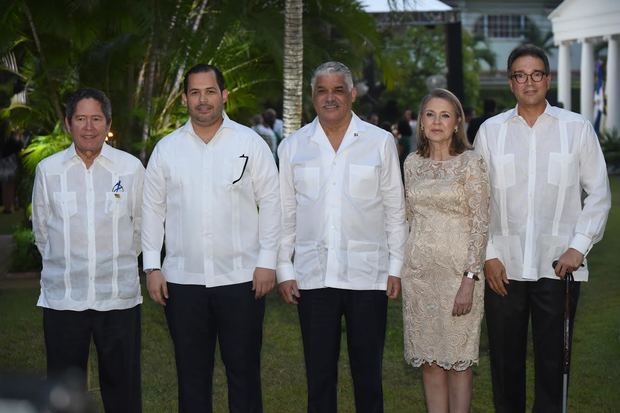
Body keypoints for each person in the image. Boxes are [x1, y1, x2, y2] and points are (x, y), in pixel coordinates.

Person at [474, 44, 611, 413]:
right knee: (505, 363)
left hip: (558, 265)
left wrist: (578, 246)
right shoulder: (490, 132)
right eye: (520, 75)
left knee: (554, 364)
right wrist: (488, 255)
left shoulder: (576, 128)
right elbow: (477, 200)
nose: (529, 81)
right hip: (504, 267)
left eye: (536, 74)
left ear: (547, 80)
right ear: (510, 82)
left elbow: (599, 194)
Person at [142, 63, 280, 413]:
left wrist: (267, 262)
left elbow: (273, 204)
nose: (202, 100)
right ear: (185, 99)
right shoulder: (167, 149)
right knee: (191, 377)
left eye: (209, 91)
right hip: (183, 281)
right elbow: (152, 210)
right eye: (195, 93)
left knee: (244, 374)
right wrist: (152, 267)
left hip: (241, 280)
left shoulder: (251, 142)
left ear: (224, 95)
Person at [277, 61, 407, 413]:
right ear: (313, 97)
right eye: (322, 90)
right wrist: (284, 271)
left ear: (352, 94)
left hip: (369, 276)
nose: (330, 97)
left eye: (338, 90)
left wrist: (396, 267)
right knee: (319, 378)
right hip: (312, 276)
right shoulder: (292, 146)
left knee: (368, 376)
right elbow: (285, 215)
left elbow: (395, 209)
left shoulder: (379, 143)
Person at [31, 88, 144, 413]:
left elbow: (140, 228)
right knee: (64, 394)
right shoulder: (49, 171)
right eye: (81, 118)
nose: (89, 127)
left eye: (96, 119)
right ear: (68, 123)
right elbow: (43, 232)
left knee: (123, 391)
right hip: (64, 298)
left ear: (108, 123)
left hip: (118, 296)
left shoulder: (130, 168)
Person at [402, 88, 490, 412]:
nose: (436, 121)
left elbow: (481, 224)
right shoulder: (411, 164)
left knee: (459, 362)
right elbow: (408, 218)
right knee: (430, 362)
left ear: (456, 124)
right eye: (430, 114)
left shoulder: (471, 163)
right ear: (421, 123)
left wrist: (469, 278)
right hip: (419, 277)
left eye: (445, 115)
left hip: (459, 277)